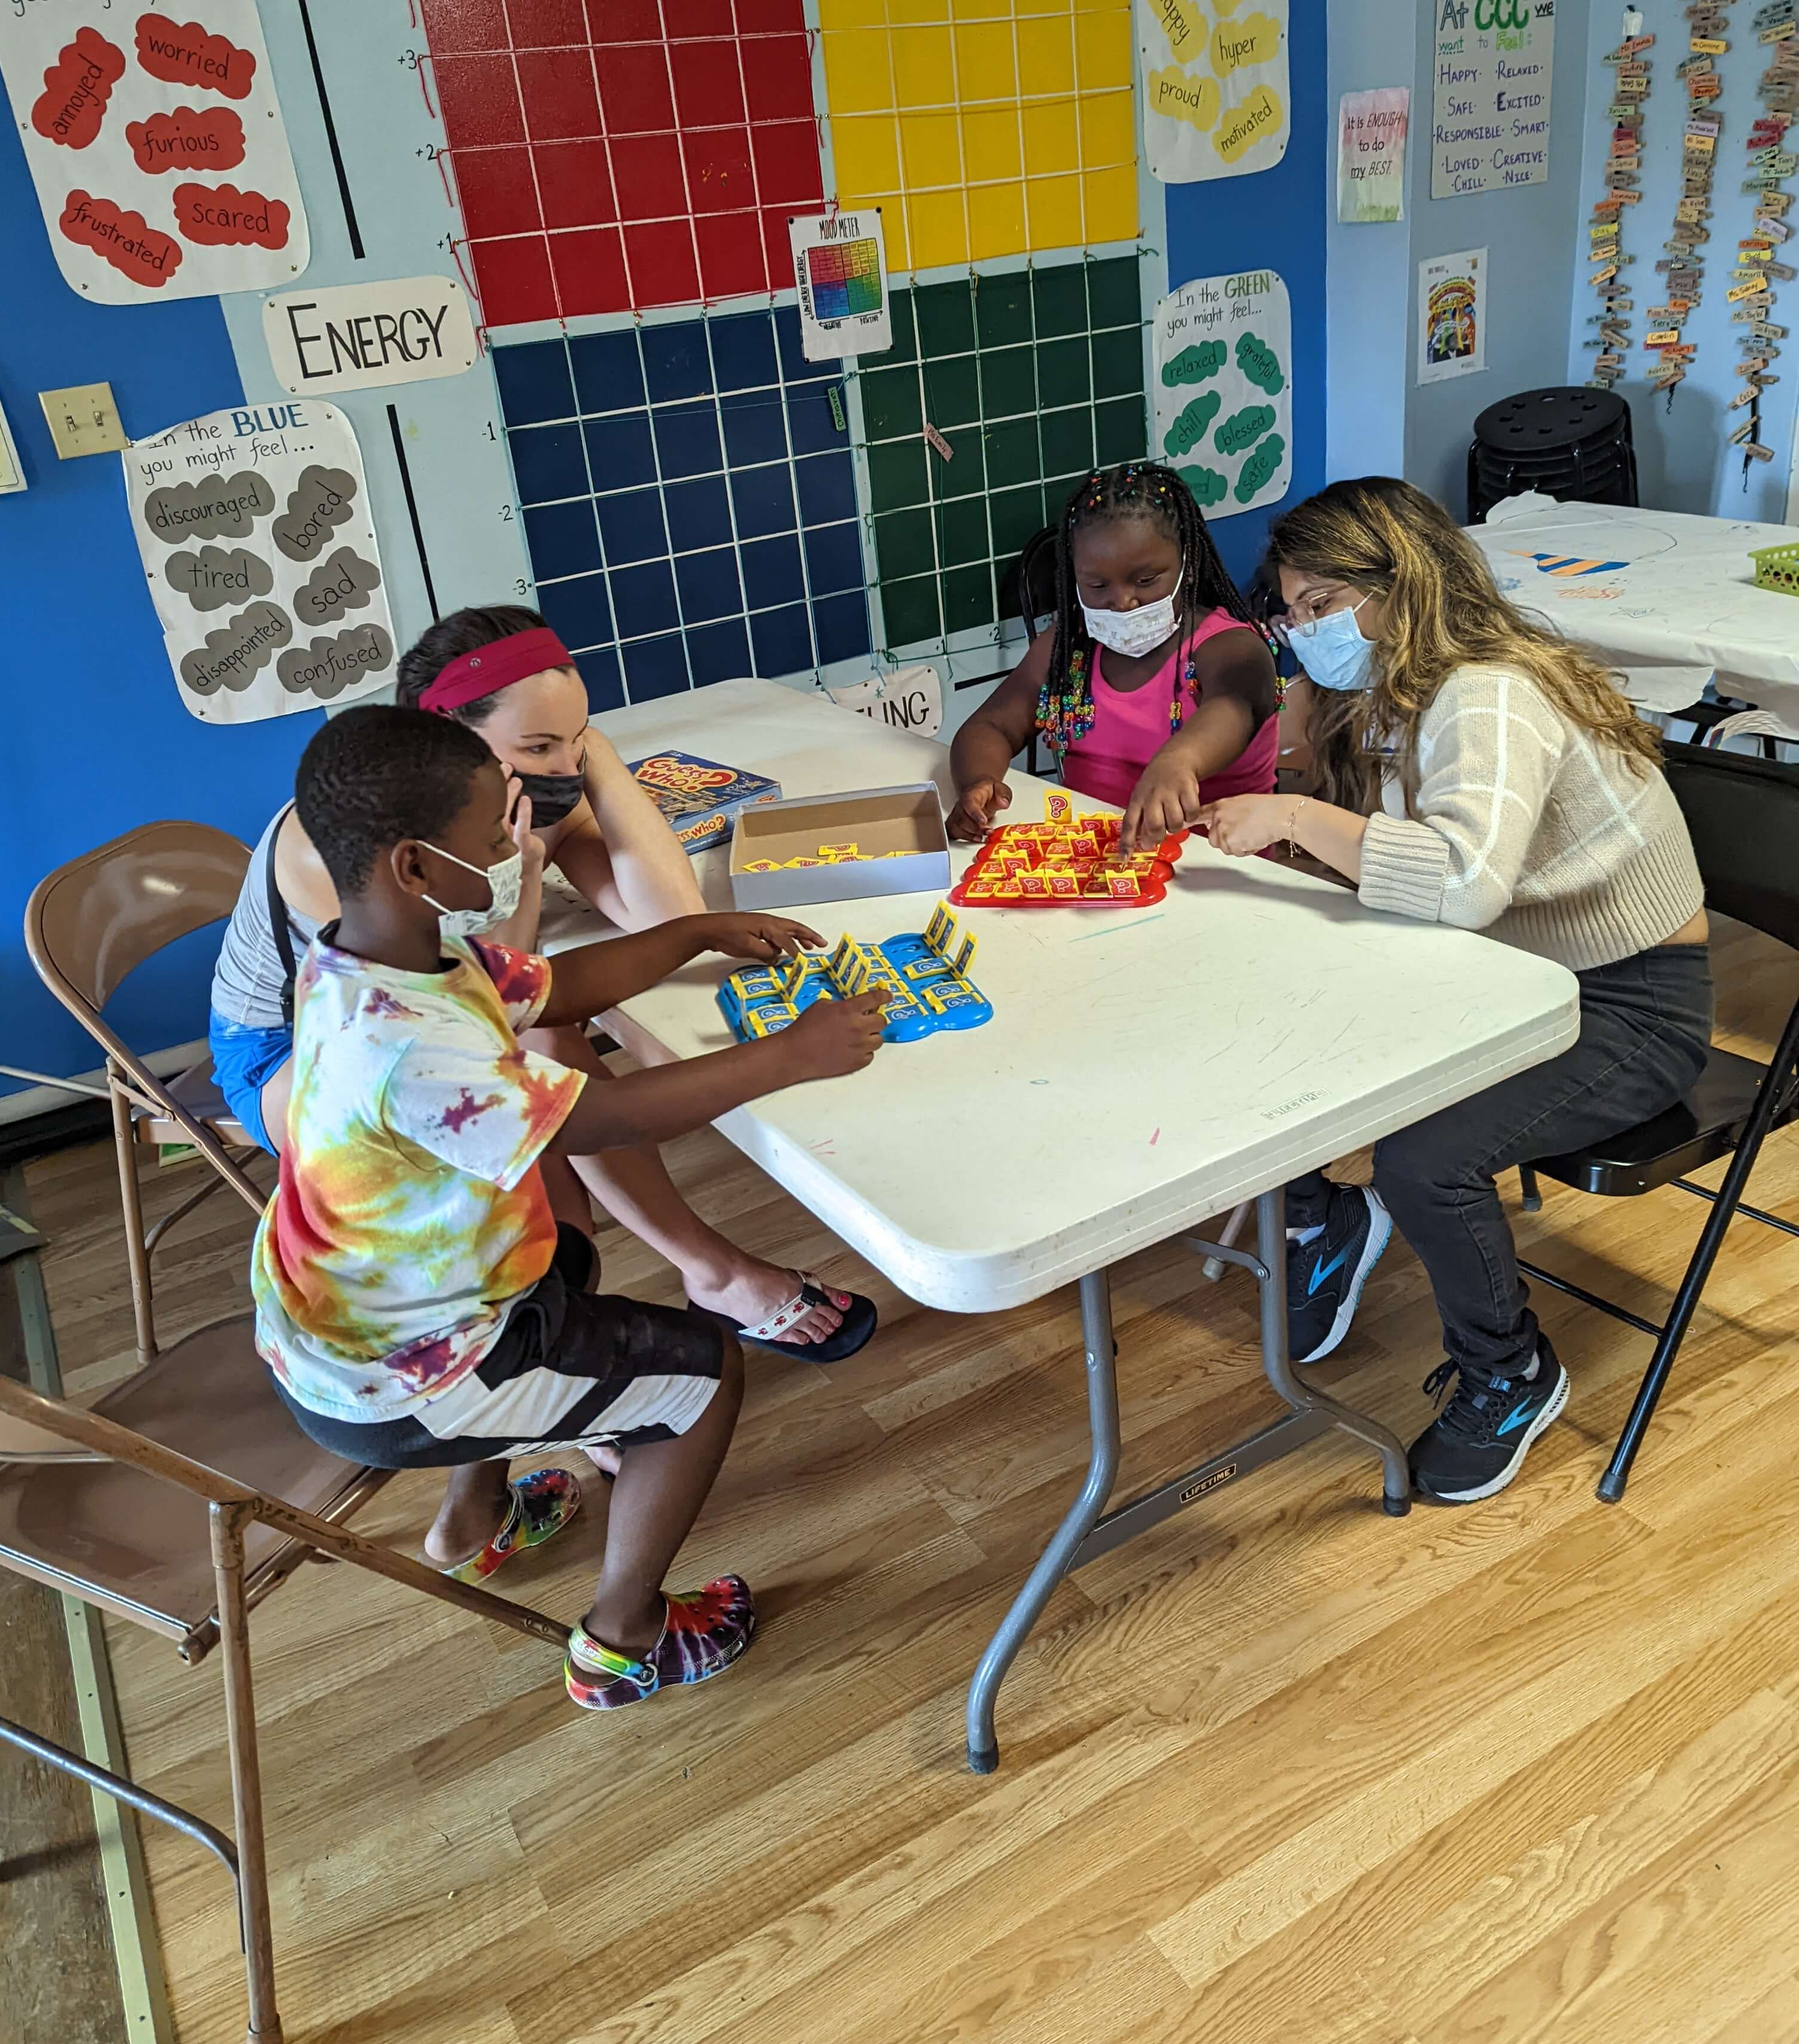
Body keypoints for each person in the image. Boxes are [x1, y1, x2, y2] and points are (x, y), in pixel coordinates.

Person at [255, 704, 886, 1707]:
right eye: (490, 838)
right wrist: (787, 1057)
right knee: (704, 1375)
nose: (518, 851)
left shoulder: (379, 954)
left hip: (362, 1321)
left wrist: (691, 931)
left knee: (570, 1254)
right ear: (416, 868)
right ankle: (621, 1640)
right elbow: (606, 1117)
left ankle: (476, 1519)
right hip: (405, 1378)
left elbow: (553, 986)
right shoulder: (407, 1042)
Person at [1194, 479, 1712, 1505]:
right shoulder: (1393, 688)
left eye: (1321, 604)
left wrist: (1299, 819)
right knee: (1279, 1019)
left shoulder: (1489, 692)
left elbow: (1465, 882)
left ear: (1403, 583)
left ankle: (1510, 1373)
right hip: (1511, 976)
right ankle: (1322, 1215)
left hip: (1628, 1002)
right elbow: (1407, 874)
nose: (1304, 632)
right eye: (1291, 611)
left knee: (1423, 1160)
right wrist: (1300, 795)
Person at [210, 605, 872, 1361]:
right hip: (291, 1060)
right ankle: (694, 1278)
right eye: (539, 745)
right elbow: (485, 1012)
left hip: (424, 1028)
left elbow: (662, 915)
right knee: (547, 1048)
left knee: (554, 1033)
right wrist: (524, 869)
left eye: (575, 736)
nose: (561, 767)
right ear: (452, 739)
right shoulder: (368, 844)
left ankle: (569, 1325)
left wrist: (597, 761)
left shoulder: (523, 791)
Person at [945, 461, 1279, 851]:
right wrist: (979, 783)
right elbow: (993, 726)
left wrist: (1179, 761)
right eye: (1097, 585)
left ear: (1187, 566)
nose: (1122, 602)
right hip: (1098, 864)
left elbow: (1235, 708)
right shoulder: (1067, 649)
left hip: (1216, 872)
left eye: (1146, 580)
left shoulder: (1233, 648)